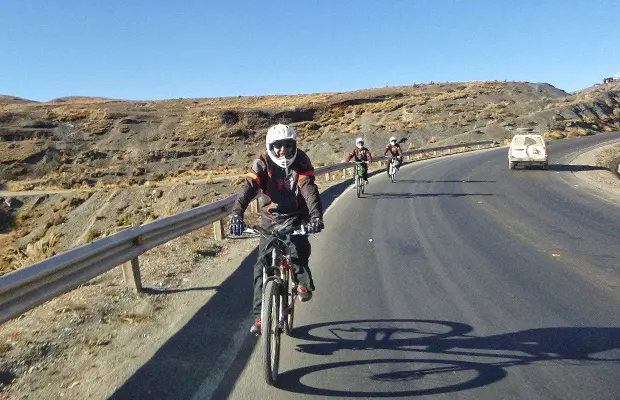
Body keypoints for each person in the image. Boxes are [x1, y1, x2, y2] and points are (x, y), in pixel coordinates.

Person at [228, 123, 325, 335]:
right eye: (278, 146)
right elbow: (248, 188)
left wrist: (316, 215)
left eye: (288, 145)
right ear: (270, 146)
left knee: (298, 248)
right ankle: (260, 317)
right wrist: (236, 213)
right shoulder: (262, 163)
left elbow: (308, 188)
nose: (283, 151)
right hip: (270, 218)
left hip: (296, 215)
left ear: (294, 146)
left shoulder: (301, 160)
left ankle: (302, 282)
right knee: (261, 265)